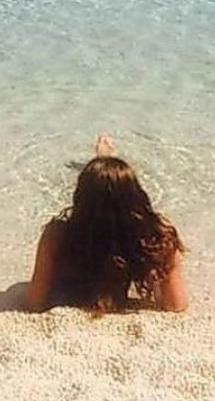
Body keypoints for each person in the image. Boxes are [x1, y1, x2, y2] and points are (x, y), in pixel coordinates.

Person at [25, 134, 188, 314]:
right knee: (110, 184)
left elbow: (35, 302)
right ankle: (104, 161)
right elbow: (176, 305)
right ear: (136, 196)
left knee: (99, 185)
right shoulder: (153, 235)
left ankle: (101, 162)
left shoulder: (59, 234)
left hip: (80, 270)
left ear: (79, 196)